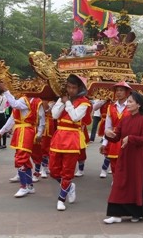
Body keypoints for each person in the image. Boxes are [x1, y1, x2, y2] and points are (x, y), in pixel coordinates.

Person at [103, 91, 143, 224]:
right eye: (128, 101)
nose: (128, 104)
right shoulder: (125, 119)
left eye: (131, 101)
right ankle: (116, 214)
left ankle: (136, 213)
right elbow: (117, 136)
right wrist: (109, 134)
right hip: (124, 155)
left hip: (137, 158)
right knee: (119, 183)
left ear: (138, 105)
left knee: (136, 184)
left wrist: (130, 138)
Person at [0, 83, 45, 198]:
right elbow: (12, 120)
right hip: (20, 131)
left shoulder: (28, 101)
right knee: (24, 159)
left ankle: (24, 186)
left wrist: (6, 91)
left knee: (21, 159)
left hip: (26, 131)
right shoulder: (21, 102)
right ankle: (29, 186)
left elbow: (42, 119)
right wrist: (1, 132)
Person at [50, 74, 91, 211]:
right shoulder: (62, 99)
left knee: (67, 171)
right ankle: (69, 186)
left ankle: (61, 199)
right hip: (59, 136)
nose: (71, 90)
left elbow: (75, 117)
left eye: (73, 88)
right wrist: (62, 102)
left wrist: (67, 102)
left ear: (79, 88)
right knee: (53, 170)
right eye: (68, 87)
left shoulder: (84, 102)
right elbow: (55, 115)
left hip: (72, 138)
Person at [99, 82, 132, 179]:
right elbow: (107, 127)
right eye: (117, 90)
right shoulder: (111, 107)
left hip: (127, 137)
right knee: (114, 163)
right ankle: (116, 180)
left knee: (126, 163)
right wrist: (104, 143)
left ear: (126, 92)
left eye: (121, 90)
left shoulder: (131, 106)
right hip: (114, 138)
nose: (119, 93)